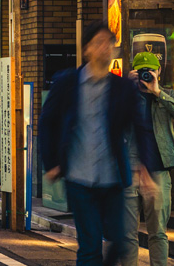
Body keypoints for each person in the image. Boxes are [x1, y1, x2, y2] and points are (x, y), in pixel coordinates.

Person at [41, 21, 155, 266]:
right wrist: (50, 163)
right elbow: (47, 121)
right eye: (98, 42)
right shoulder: (67, 82)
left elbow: (140, 126)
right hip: (79, 178)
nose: (105, 47)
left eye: (109, 42)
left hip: (112, 178)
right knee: (90, 245)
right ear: (86, 50)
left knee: (120, 241)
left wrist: (145, 166)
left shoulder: (122, 87)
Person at [123, 52, 174, 266]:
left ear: (159, 71)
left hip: (159, 172)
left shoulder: (167, 95)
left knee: (158, 233)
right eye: (142, 71)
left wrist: (158, 92)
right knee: (126, 235)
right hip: (128, 171)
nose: (147, 75)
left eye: (150, 71)